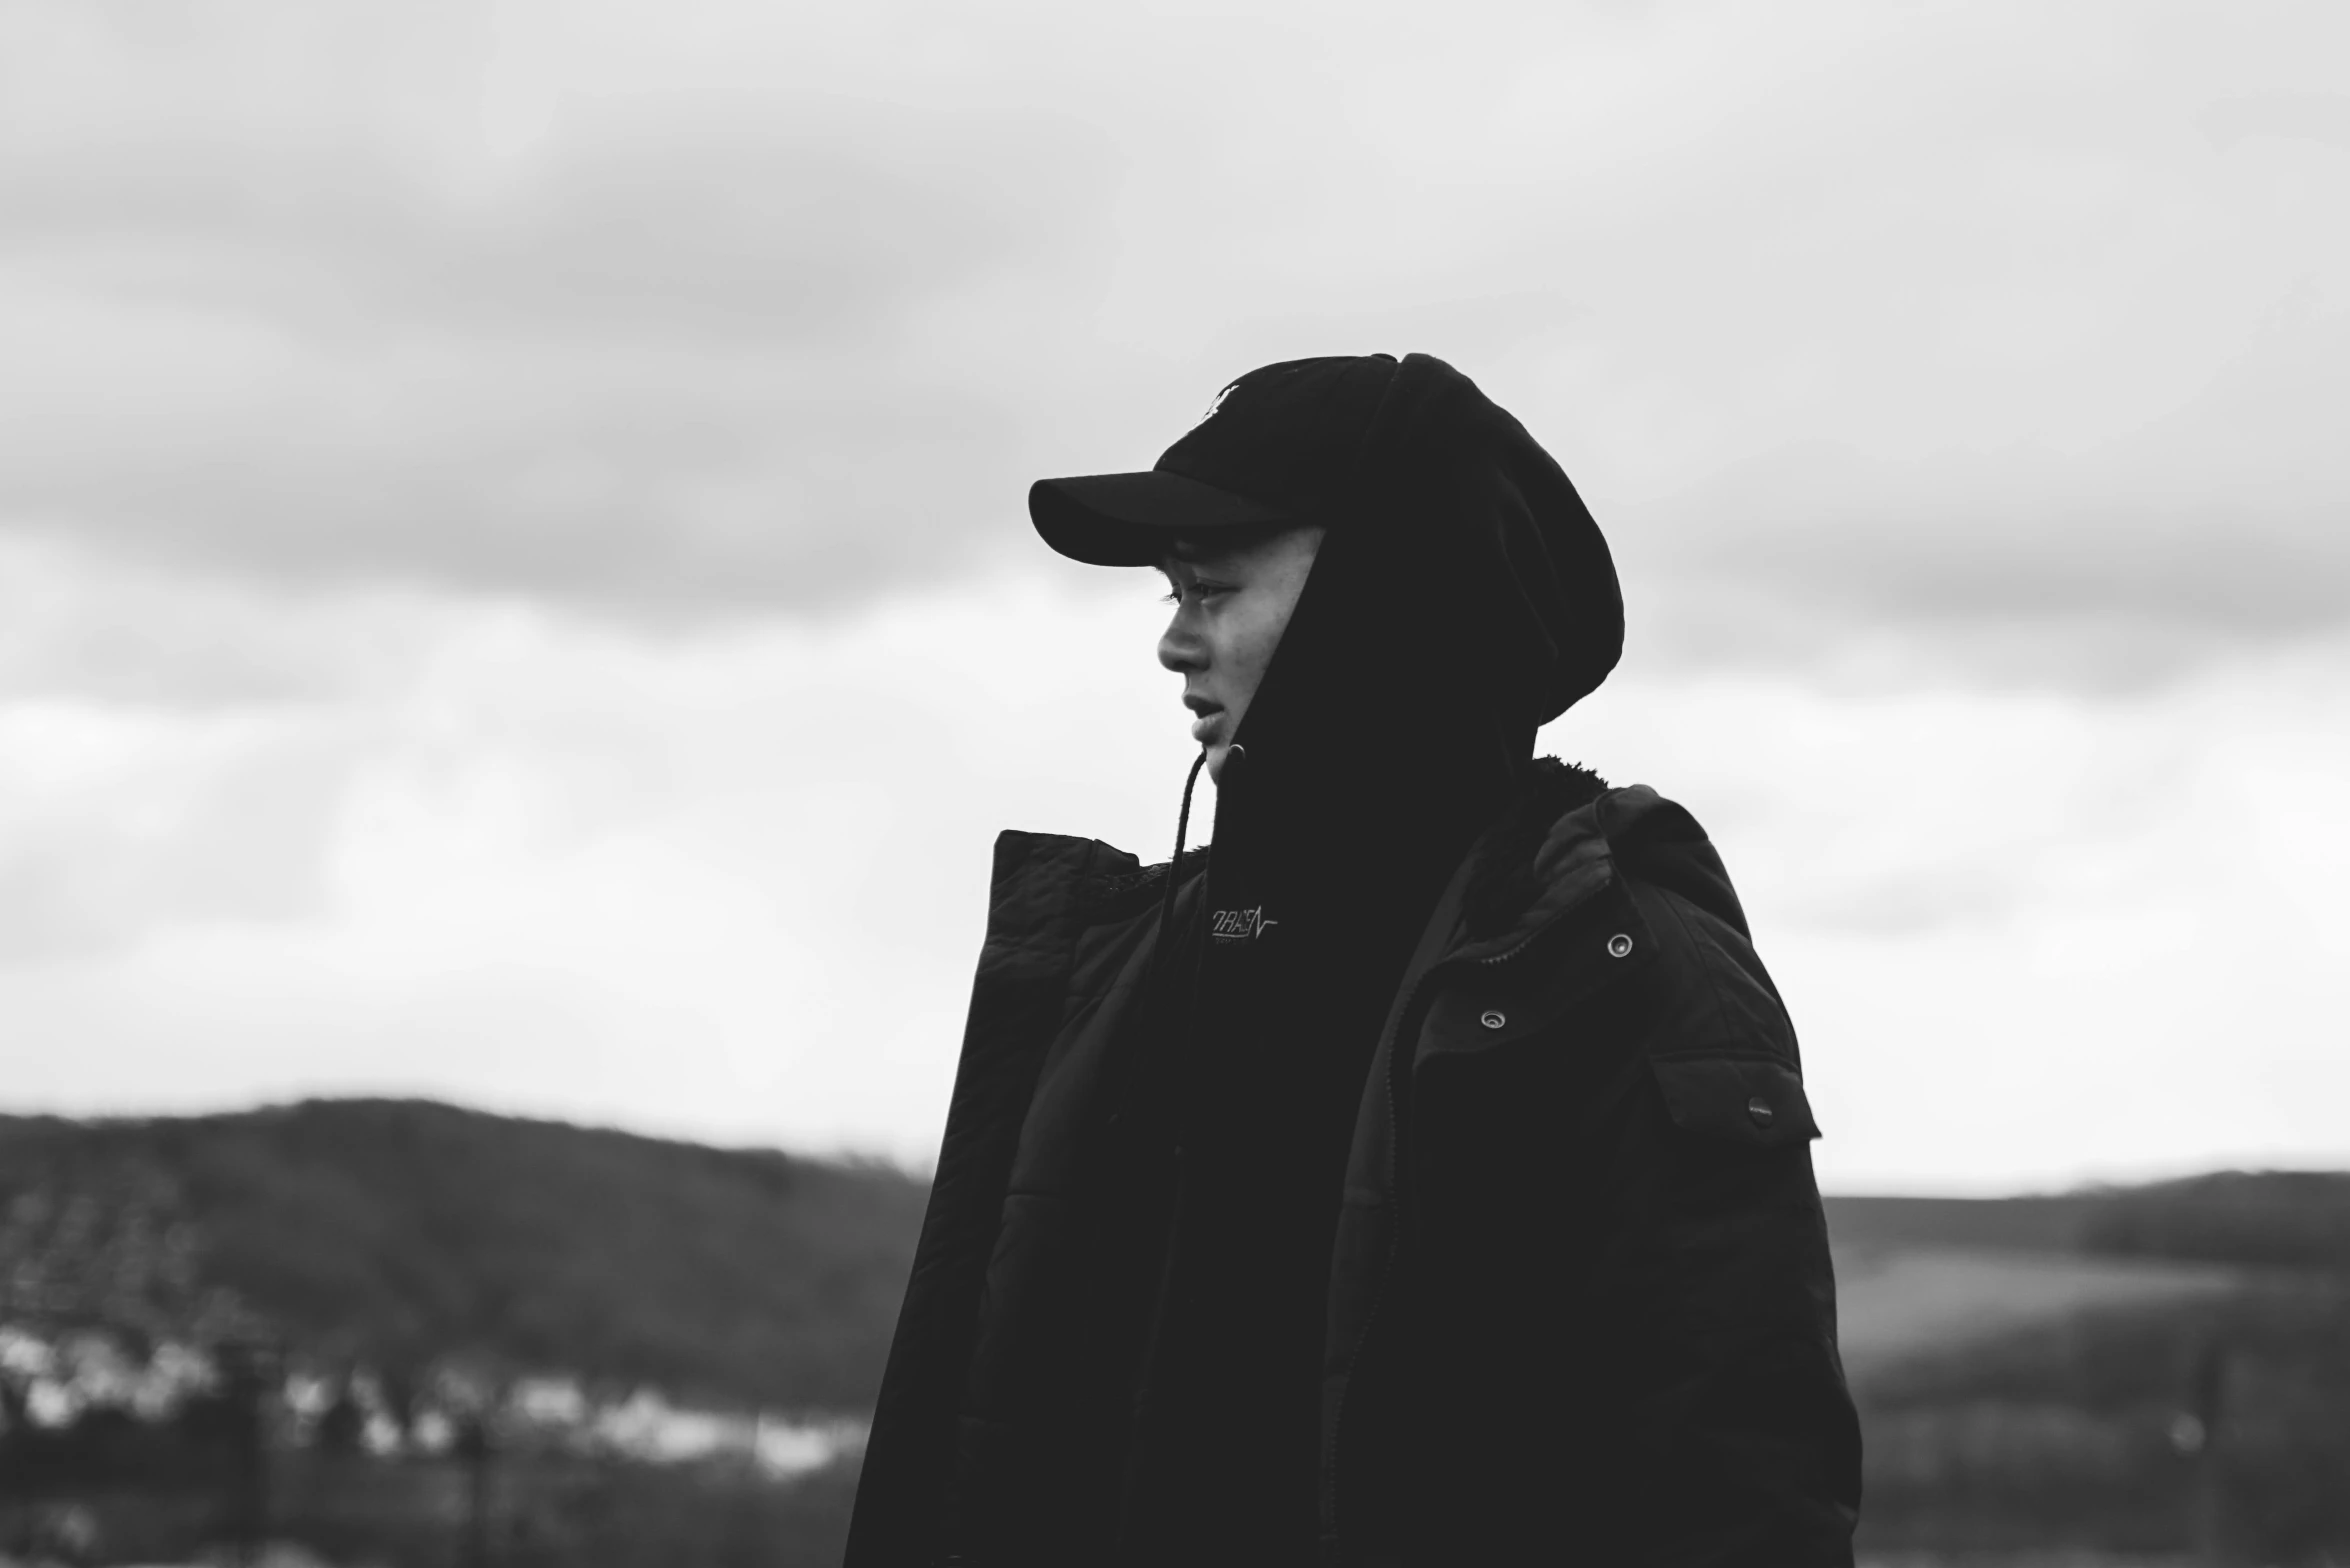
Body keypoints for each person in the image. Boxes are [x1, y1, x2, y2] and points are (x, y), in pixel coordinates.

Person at [845, 354, 1861, 1566]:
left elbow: (1736, 1493)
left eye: (1211, 590)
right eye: (1170, 594)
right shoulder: (1145, 954)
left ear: (1381, 608)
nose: (1173, 643)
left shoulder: (1614, 967)